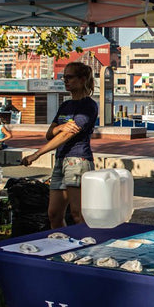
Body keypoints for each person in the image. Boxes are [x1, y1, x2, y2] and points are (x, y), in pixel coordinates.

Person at [21, 62, 98, 228]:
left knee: (78, 214)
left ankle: (87, 246)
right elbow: (50, 133)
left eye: (69, 77)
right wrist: (61, 126)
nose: (65, 81)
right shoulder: (65, 105)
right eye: (64, 77)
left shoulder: (88, 106)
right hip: (61, 160)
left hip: (78, 161)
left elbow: (68, 135)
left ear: (82, 79)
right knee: (54, 214)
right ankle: (60, 245)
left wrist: (37, 154)